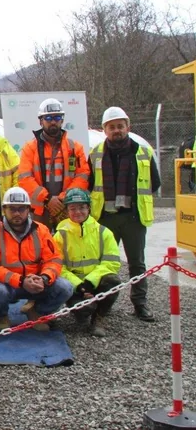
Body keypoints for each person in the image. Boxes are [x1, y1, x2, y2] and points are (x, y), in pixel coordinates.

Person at [88, 106, 161, 322]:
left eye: (120, 126)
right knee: (103, 262)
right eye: (112, 127)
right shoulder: (96, 154)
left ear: (128, 127)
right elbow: (89, 184)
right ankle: (101, 305)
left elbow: (154, 182)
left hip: (133, 217)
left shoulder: (143, 152)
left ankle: (140, 304)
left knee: (137, 263)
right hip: (106, 217)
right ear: (104, 130)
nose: (116, 130)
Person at [0, 187, 73, 331]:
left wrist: (44, 278)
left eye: (21, 209)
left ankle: (37, 312)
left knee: (65, 287)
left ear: (29, 210)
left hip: (37, 282)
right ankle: (1, 315)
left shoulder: (41, 230)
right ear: (4, 210)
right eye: (12, 209)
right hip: (8, 284)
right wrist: (20, 281)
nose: (17, 213)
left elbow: (54, 259)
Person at [54, 188, 121, 337]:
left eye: (82, 207)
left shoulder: (104, 233)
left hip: (96, 283)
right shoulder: (60, 236)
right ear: (67, 211)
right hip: (75, 287)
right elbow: (58, 267)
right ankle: (86, 310)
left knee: (113, 280)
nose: (78, 212)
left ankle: (100, 317)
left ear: (89, 208)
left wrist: (90, 282)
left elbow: (112, 263)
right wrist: (79, 286)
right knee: (84, 310)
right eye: (73, 208)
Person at [18, 98, 89, 230]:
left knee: (68, 247)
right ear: (41, 121)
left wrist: (63, 199)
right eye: (48, 117)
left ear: (62, 120)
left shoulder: (75, 148)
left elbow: (82, 176)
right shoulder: (30, 148)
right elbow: (24, 179)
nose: (53, 121)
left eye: (57, 117)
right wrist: (48, 199)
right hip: (40, 209)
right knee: (41, 246)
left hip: (67, 207)